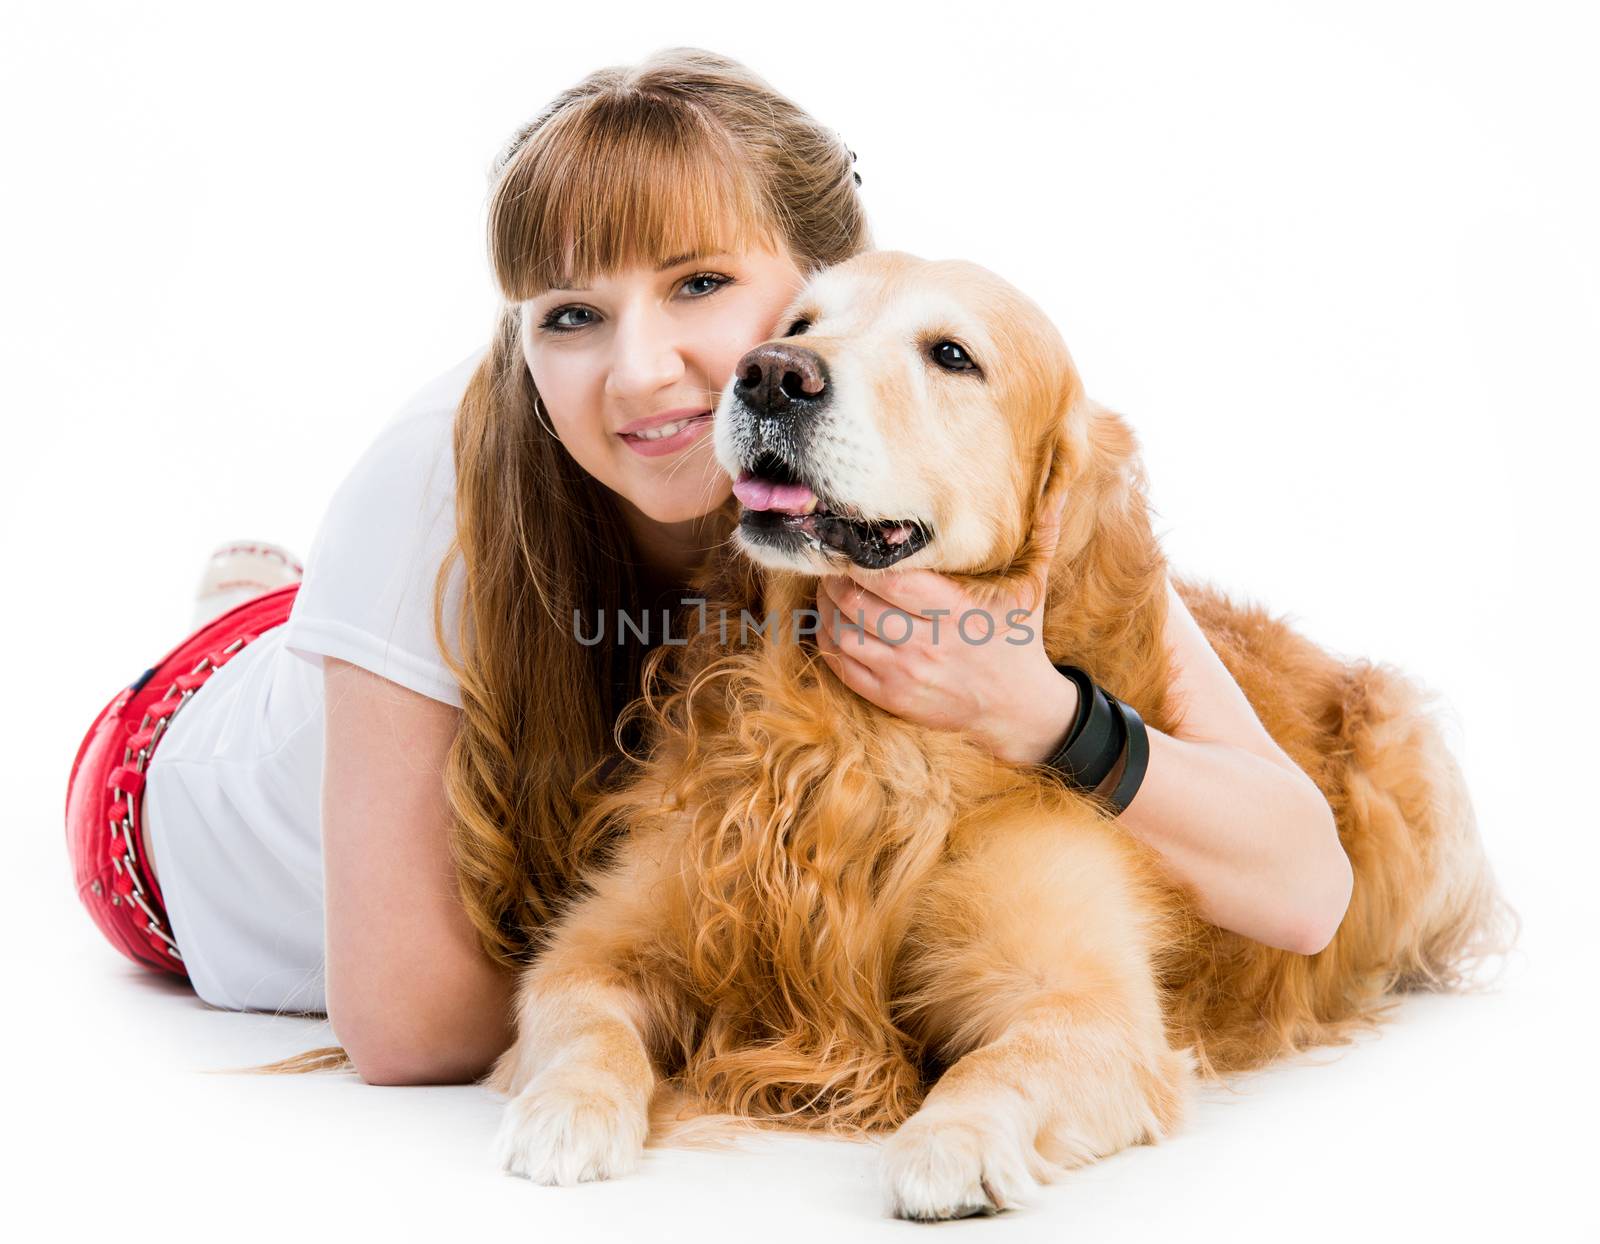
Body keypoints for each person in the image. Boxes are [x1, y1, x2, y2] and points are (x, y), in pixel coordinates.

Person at [63, 46, 1353, 1088]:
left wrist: (1041, 715)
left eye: (702, 284)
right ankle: (257, 623)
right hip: (166, 801)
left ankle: (284, 616)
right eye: (571, 314)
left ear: (824, 281)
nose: (639, 371)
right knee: (289, 663)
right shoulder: (428, 490)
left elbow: (1300, 882)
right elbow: (418, 1033)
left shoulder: (896, 441)